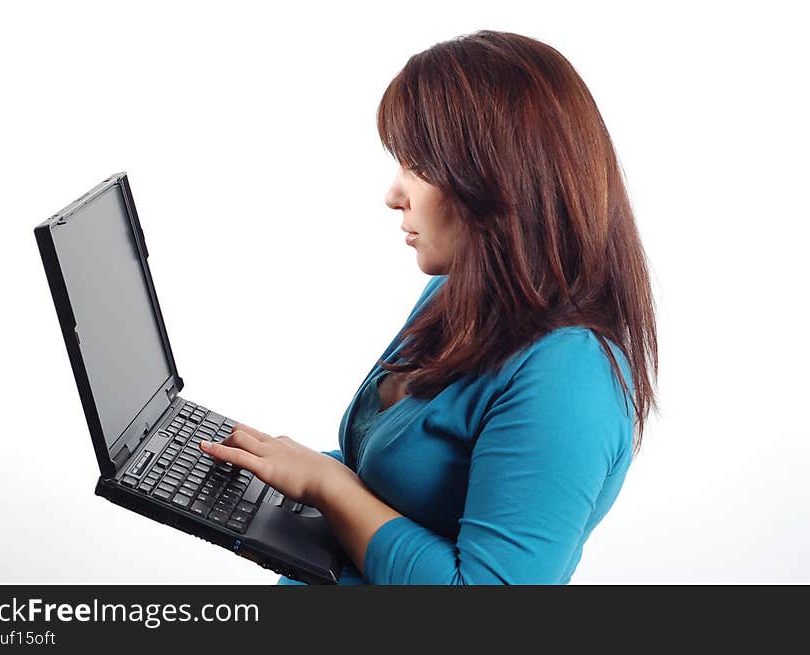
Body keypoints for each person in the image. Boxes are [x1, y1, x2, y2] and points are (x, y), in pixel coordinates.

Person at [199, 29, 658, 584]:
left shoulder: (570, 374)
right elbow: (391, 485)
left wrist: (327, 485)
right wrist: (266, 473)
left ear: (498, 178)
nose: (394, 195)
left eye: (417, 165)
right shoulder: (453, 295)